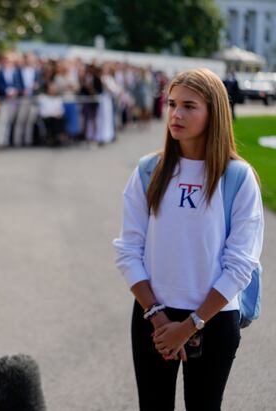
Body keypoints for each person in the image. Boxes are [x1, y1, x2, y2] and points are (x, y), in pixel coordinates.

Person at [113, 68, 264, 410]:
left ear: (214, 113)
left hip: (214, 318)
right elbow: (128, 250)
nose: (176, 114)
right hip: (153, 316)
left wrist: (191, 325)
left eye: (189, 106)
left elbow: (241, 263)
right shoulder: (148, 170)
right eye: (172, 104)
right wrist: (158, 316)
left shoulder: (237, 177)